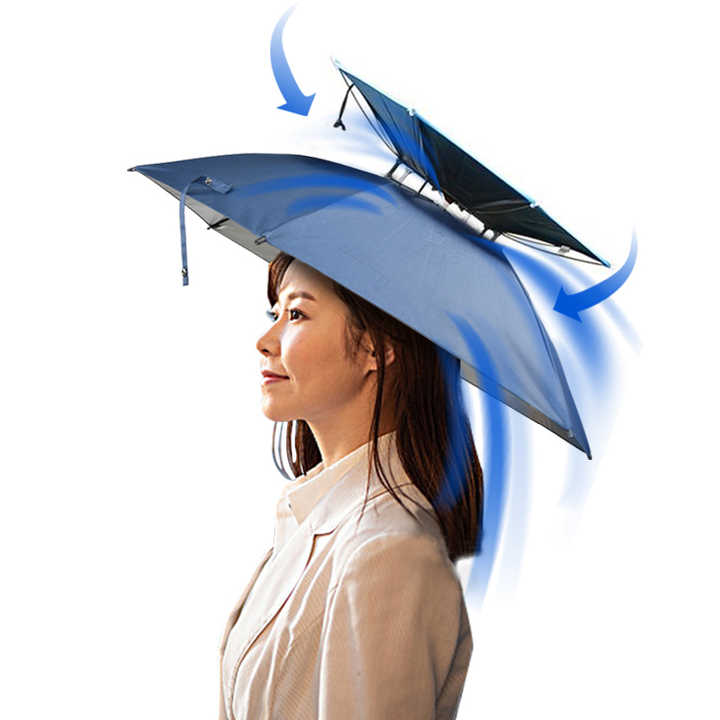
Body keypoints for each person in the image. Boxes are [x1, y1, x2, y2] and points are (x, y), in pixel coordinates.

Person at [219, 251, 483, 720]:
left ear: (376, 348)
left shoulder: (390, 552)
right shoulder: (307, 521)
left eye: (297, 314)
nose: (265, 341)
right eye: (274, 313)